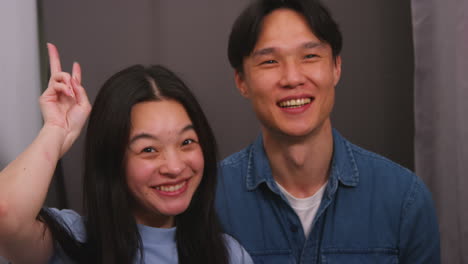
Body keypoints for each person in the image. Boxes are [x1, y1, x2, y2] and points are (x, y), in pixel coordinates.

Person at [215, 0, 440, 263]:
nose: (292, 78)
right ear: (242, 81)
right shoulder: (211, 200)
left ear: (336, 67)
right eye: (269, 61)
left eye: (310, 56)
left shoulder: (404, 198)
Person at [0, 44, 253, 264]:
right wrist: (55, 130)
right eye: (149, 149)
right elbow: (5, 214)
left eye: (186, 142)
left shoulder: (227, 255)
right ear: (113, 160)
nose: (175, 167)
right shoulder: (68, 242)